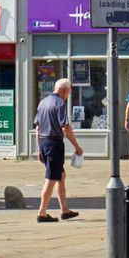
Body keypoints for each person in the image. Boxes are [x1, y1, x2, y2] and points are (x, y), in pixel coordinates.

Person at [34, 78, 84, 223]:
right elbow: (65, 128)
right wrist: (77, 147)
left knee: (60, 176)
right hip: (54, 143)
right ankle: (42, 212)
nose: (68, 95)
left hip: (44, 142)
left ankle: (65, 210)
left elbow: (37, 128)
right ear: (63, 90)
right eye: (68, 92)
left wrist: (39, 149)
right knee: (50, 179)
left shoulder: (43, 102)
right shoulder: (60, 103)